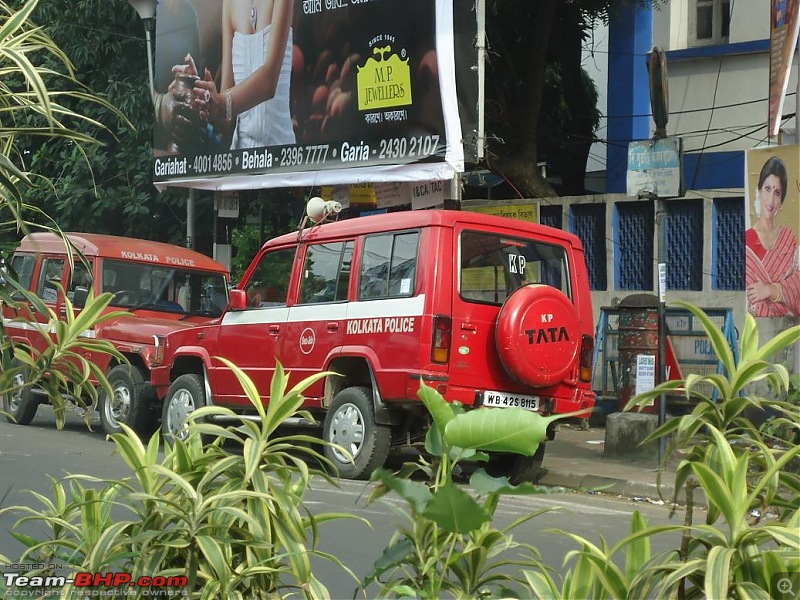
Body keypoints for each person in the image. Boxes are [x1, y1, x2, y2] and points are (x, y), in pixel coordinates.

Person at [185, 0, 296, 149]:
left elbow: (269, 83)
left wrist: (221, 103)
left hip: (281, 154)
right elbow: (225, 121)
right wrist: (199, 91)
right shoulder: (229, 3)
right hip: (241, 157)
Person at [745, 155, 800, 317]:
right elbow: (750, 295)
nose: (770, 199)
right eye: (767, 189)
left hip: (791, 329)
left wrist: (770, 290)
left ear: (781, 202)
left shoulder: (789, 238)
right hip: (756, 328)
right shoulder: (746, 240)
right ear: (759, 191)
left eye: (777, 193)